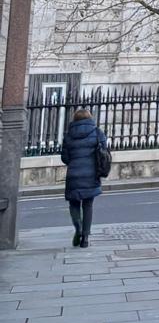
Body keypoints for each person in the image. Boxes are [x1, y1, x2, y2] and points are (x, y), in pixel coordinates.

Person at [60, 106, 109, 248]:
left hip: (73, 175)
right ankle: (85, 238)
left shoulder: (68, 135)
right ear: (90, 118)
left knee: (74, 204)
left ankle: (78, 228)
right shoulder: (97, 132)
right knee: (88, 205)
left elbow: (65, 158)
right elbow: (104, 152)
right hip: (91, 174)